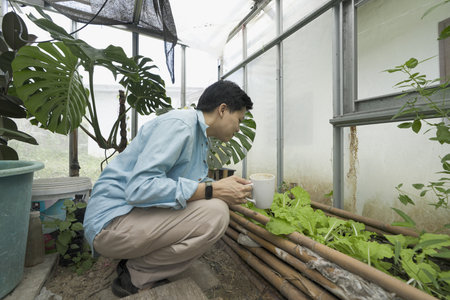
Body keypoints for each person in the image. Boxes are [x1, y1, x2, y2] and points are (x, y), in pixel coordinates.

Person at [83, 80, 254, 297]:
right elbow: (140, 188)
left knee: (212, 205)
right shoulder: (180, 125)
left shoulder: (200, 136)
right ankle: (135, 274)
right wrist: (213, 191)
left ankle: (136, 261)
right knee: (216, 214)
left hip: (129, 216)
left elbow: (182, 186)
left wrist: (225, 188)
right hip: (111, 222)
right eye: (238, 120)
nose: (239, 129)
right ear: (222, 110)